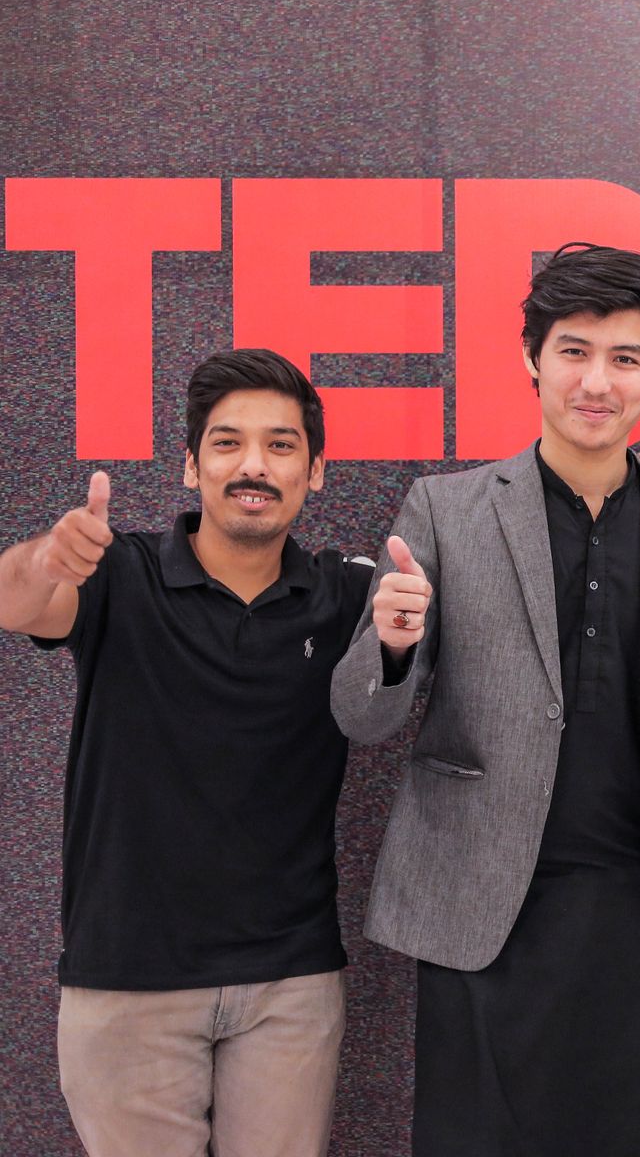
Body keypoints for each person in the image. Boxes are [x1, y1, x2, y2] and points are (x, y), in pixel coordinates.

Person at [329, 243, 640, 1156]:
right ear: (531, 358)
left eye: (625, 358)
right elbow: (362, 715)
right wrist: (391, 648)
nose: (597, 381)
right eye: (573, 351)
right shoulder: (445, 508)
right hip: (484, 906)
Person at [0, 350, 356, 1157]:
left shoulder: (344, 594)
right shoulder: (116, 575)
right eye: (227, 444)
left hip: (289, 987)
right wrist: (47, 560)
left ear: (317, 470)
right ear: (192, 468)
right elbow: (16, 598)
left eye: (281, 444)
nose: (254, 466)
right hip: (127, 983)